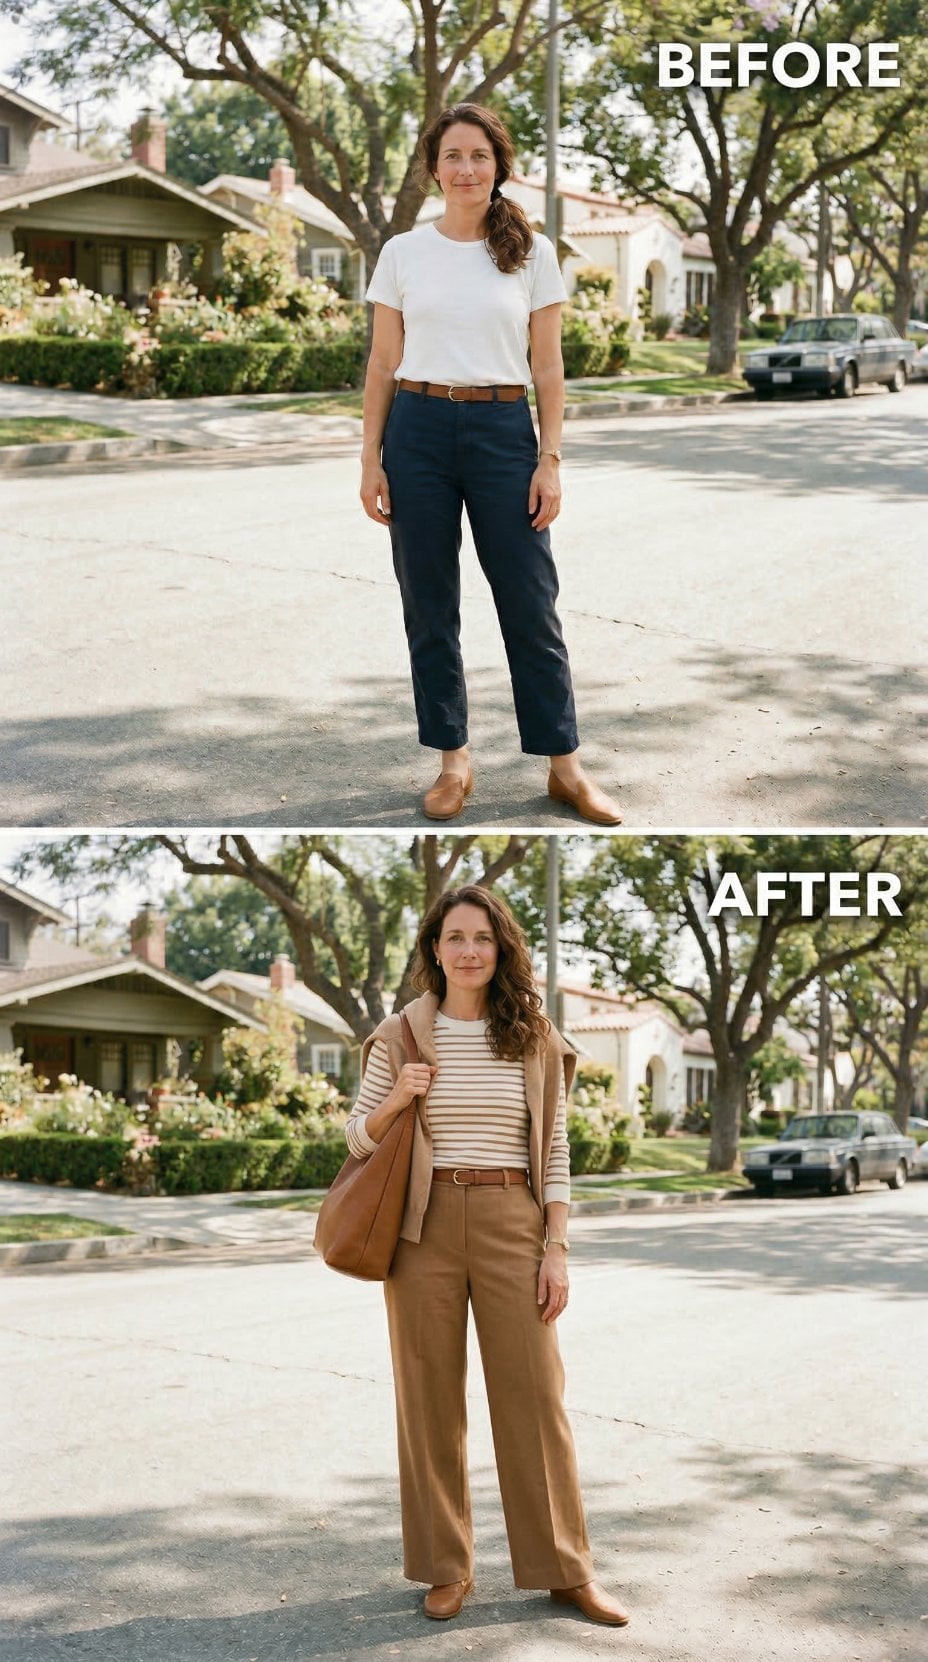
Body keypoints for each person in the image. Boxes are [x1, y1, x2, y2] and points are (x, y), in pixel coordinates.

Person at [343, 884, 631, 1626]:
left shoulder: (532, 1034)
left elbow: (556, 1150)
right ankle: (445, 1567)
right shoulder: (402, 1033)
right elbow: (356, 1139)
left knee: (536, 1398)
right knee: (428, 1399)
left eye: (482, 937)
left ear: (501, 949)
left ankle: (566, 1568)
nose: (469, 950)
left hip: (513, 1218)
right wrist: (397, 1097)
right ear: (433, 951)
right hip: (421, 1223)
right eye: (454, 938)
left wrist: (556, 1247)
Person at [359, 102, 623, 827]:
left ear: (498, 165)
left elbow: (549, 368)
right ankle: (453, 761)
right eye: (453, 155)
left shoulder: (532, 251)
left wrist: (551, 460)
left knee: (530, 603)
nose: (466, 168)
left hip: (505, 431)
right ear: (433, 167)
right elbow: (382, 363)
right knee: (429, 604)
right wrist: (370, 459)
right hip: (416, 431)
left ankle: (564, 766)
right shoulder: (403, 253)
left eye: (479, 155)